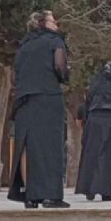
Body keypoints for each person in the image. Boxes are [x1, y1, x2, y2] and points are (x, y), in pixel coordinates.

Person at [8, 11, 70, 208]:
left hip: (24, 100)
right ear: (44, 23)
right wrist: (65, 77)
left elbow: (15, 74)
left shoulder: (23, 46)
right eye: (53, 20)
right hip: (48, 97)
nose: (56, 23)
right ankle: (52, 196)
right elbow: (59, 67)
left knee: (27, 146)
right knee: (50, 146)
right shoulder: (54, 41)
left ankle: (31, 196)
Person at [75, 60, 111, 201]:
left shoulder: (95, 85)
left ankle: (90, 188)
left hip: (94, 121)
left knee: (93, 154)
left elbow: (87, 104)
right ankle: (109, 191)